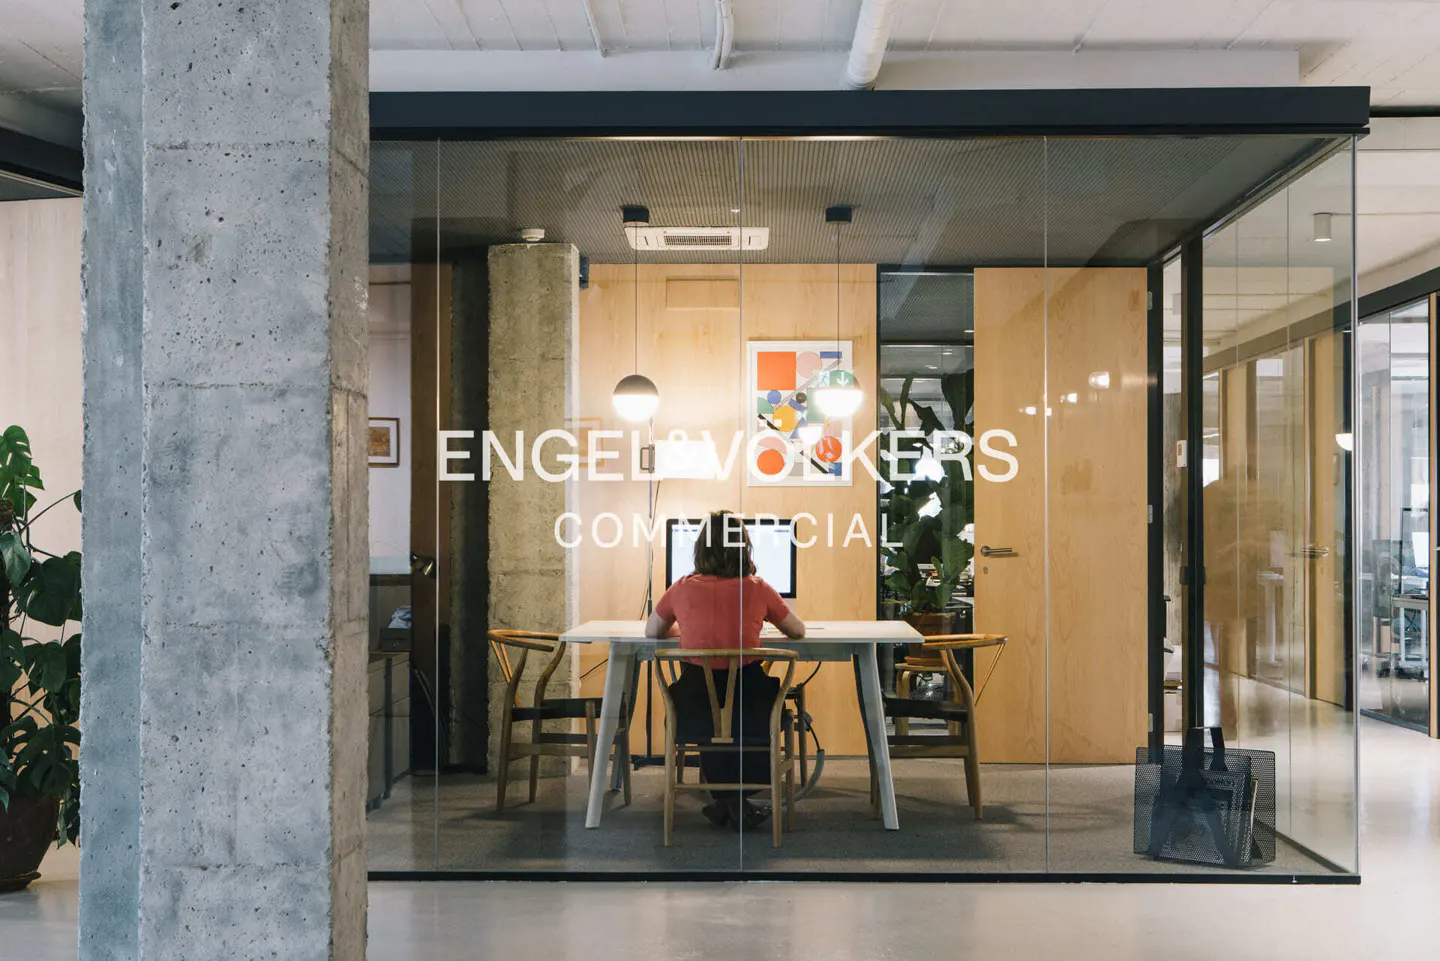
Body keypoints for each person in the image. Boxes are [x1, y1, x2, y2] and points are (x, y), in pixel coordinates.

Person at [645, 510, 805, 830]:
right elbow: (797, 632)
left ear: (700, 549)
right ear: (743, 547)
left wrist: (688, 633)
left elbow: (652, 632)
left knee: (715, 717)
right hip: (752, 711)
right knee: (745, 711)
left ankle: (728, 803)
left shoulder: (681, 587)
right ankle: (735, 803)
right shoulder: (758, 588)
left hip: (694, 710)